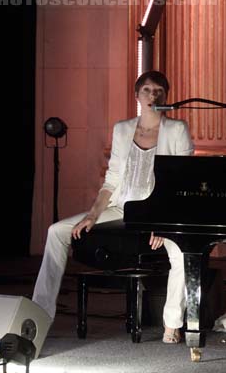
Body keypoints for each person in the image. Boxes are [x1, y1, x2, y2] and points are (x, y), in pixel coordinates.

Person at [33, 71, 193, 344]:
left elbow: (181, 182)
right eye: (147, 90)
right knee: (57, 231)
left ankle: (172, 322)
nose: (153, 96)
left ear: (166, 96)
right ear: (137, 96)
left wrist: (162, 222)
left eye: (158, 91)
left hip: (159, 212)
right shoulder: (122, 129)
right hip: (122, 207)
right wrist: (93, 215)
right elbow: (112, 181)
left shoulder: (177, 130)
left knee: (181, 251)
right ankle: (39, 313)